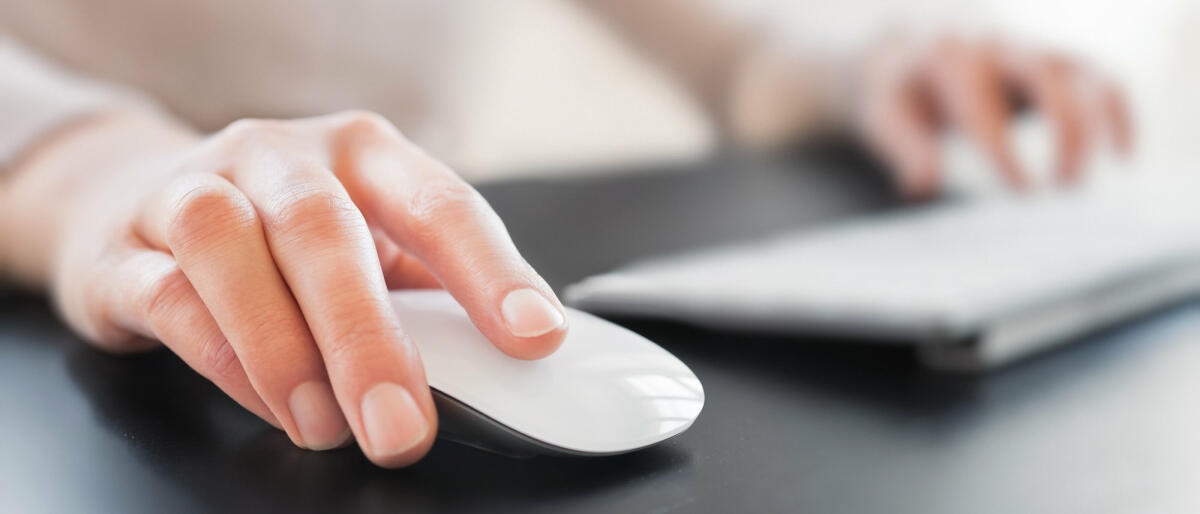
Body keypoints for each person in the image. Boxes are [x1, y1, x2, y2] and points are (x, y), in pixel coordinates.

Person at [0, 0, 1131, 468]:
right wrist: (91, 168)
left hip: (389, 277)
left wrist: (871, 60)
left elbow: (734, 45)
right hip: (74, 296)